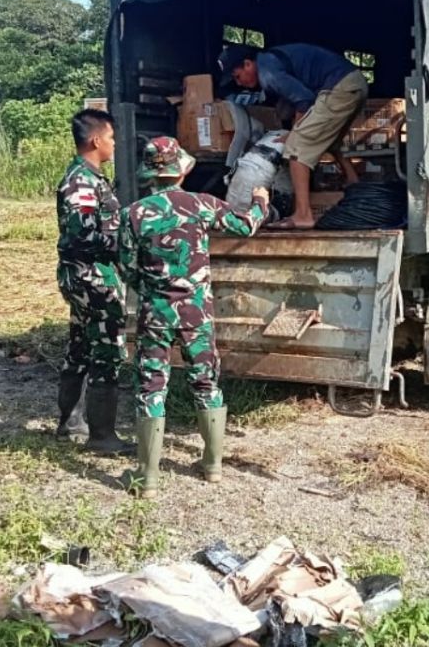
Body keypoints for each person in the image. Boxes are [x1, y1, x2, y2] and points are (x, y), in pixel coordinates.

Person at [118, 137, 269, 498]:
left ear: (150, 174)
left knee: (151, 387)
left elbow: (126, 267)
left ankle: (148, 477)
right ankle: (213, 466)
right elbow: (245, 226)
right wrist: (261, 202)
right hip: (197, 313)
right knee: (207, 384)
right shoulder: (201, 205)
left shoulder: (134, 214)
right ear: (182, 170)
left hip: (155, 312)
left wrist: (155, 291)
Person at [217, 43, 367, 230]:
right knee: (328, 140)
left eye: (237, 77)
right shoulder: (270, 62)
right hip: (353, 83)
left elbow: (304, 100)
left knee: (297, 147)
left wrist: (294, 133)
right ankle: (353, 182)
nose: (239, 83)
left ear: (248, 64)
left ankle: (303, 215)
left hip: (339, 87)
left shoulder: (268, 73)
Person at [54, 108, 133, 455]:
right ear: (96, 140)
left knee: (80, 346)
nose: (114, 144)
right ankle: (102, 436)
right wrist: (126, 243)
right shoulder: (81, 182)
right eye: (111, 138)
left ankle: (70, 423)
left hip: (86, 275)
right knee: (106, 351)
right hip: (92, 276)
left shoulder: (91, 178)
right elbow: (82, 233)